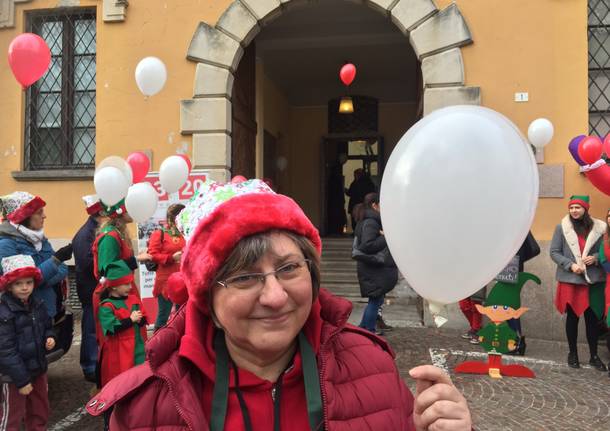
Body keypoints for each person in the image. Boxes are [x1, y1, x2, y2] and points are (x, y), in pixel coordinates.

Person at [86, 179, 472, 430]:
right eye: (244, 276)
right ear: (206, 296)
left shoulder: (372, 367)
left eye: (288, 268)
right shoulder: (145, 405)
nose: (274, 296)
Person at [550, 195, 607, 370]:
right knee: (572, 319)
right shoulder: (562, 228)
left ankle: (593, 356)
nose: (574, 210)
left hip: (592, 281)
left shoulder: (599, 228)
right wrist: (570, 265)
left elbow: (605, 249)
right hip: (571, 280)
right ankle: (572, 353)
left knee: (592, 319)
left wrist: (596, 258)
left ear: (585, 209)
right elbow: (554, 252)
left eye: (578, 207)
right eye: (572, 207)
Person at [0, 254, 56, 430]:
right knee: (12, 416)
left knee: (39, 410)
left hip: (38, 368)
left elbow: (47, 325)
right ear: (9, 285)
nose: (25, 288)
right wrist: (22, 381)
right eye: (18, 283)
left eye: (29, 283)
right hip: (13, 376)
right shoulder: (4, 312)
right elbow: (6, 350)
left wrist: (50, 337)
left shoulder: (37, 304)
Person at [0, 191, 72, 318]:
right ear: (24, 217)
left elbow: (63, 269)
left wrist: (40, 279)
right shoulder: (6, 244)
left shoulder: (40, 239)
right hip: (23, 317)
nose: (45, 216)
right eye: (39, 213)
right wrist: (55, 261)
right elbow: (21, 283)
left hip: (47, 311)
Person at [91, 199, 151, 343]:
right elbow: (107, 270)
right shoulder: (110, 237)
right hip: (116, 294)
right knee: (123, 342)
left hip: (124, 289)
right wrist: (136, 259)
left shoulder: (117, 233)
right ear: (120, 212)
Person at [72, 194, 107, 383]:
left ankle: (95, 363)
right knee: (91, 327)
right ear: (99, 212)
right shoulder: (86, 235)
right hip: (90, 289)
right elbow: (87, 264)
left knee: (95, 326)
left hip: (94, 288)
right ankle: (90, 366)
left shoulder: (93, 231)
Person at [354, 192, 398, 334]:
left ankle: (363, 328)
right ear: (374, 205)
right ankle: (369, 332)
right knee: (375, 301)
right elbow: (367, 245)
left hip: (371, 268)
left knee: (375, 300)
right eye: (381, 204)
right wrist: (386, 237)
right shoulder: (371, 222)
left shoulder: (367, 220)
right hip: (372, 268)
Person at [146, 203, 186, 330]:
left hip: (184, 279)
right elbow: (152, 254)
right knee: (164, 315)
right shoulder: (160, 233)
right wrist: (171, 258)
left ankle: (178, 344)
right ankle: (157, 345)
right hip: (166, 281)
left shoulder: (185, 232)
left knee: (182, 315)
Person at [505, 231, 540, 356]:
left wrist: (517, 259)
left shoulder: (518, 223)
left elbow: (535, 249)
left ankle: (517, 342)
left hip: (510, 269)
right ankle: (515, 341)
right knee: (507, 305)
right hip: (509, 269)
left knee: (509, 306)